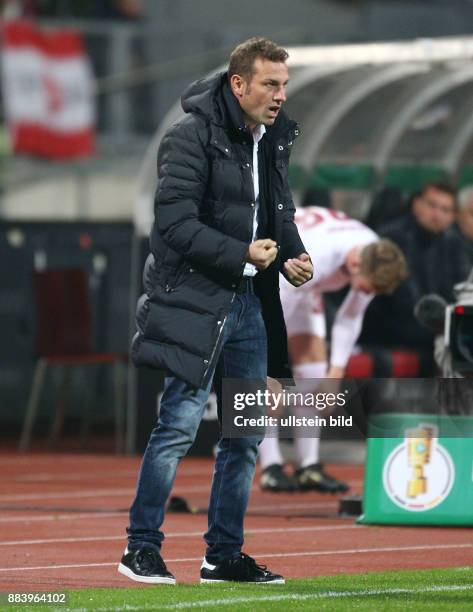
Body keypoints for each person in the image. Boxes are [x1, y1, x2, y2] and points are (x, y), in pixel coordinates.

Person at [119, 38, 313, 585]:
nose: (280, 96)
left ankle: (223, 556)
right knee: (178, 427)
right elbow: (175, 225)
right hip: (195, 300)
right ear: (238, 84)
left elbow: (279, 211)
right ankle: (140, 548)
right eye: (270, 84)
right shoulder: (188, 137)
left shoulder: (273, 137)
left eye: (284, 85)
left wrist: (292, 253)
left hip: (250, 302)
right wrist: (241, 254)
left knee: (245, 436)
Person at [259, 206, 407, 492]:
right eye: (367, 288)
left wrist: (334, 374)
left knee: (315, 373)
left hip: (305, 284)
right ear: (354, 266)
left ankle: (308, 465)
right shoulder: (316, 257)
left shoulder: (373, 252)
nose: (366, 293)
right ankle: (271, 465)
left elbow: (351, 316)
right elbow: (271, 316)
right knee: (268, 384)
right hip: (275, 278)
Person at [360, 182, 467, 355]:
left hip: (434, 328)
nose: (437, 214)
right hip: (389, 329)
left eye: (445, 210)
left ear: (453, 216)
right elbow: (404, 302)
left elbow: (463, 290)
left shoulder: (453, 243)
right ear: (416, 204)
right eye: (432, 205)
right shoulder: (392, 237)